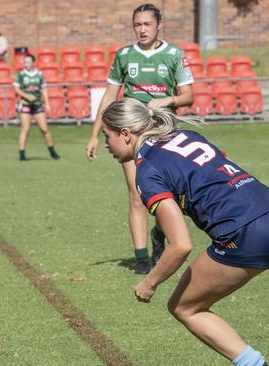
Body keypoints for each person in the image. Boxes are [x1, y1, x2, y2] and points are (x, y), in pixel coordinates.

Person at [101, 97, 269, 366]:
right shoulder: (187, 135)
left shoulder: (146, 172)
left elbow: (180, 245)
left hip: (243, 232)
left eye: (106, 136)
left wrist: (149, 283)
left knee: (184, 307)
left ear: (125, 133)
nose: (106, 146)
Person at [85, 3, 194, 274]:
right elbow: (109, 97)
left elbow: (188, 96)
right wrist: (94, 134)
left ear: (158, 25)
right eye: (137, 24)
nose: (142, 29)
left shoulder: (173, 55)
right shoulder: (124, 55)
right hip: (129, 132)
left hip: (163, 131)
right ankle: (142, 257)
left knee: (167, 193)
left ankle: (160, 234)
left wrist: (167, 99)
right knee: (136, 194)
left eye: (147, 24)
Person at [14, 54, 60, 161]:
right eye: (25, 62)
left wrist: (47, 103)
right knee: (25, 129)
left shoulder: (39, 74)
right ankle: (22, 154)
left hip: (37, 104)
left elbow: (44, 89)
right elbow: (17, 89)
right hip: (25, 104)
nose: (26, 64)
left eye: (28, 62)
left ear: (34, 62)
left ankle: (52, 152)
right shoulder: (21, 74)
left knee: (44, 129)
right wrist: (26, 96)